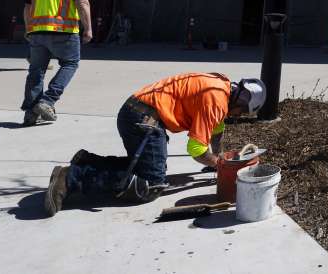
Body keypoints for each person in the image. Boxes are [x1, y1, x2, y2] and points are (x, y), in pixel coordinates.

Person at [43, 73, 266, 216]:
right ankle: (70, 178)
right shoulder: (215, 101)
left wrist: (217, 156)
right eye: (240, 114)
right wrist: (220, 164)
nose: (236, 117)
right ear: (241, 103)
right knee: (150, 185)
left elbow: (217, 129)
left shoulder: (220, 86)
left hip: (138, 111)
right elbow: (196, 149)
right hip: (142, 119)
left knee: (144, 169)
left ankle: (88, 163)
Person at [21, 0, 92, 126]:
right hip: (64, 31)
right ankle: (47, 101)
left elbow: (28, 6)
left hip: (37, 31)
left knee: (36, 70)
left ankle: (31, 112)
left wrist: (29, 29)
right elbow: (82, 3)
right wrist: (88, 29)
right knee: (70, 64)